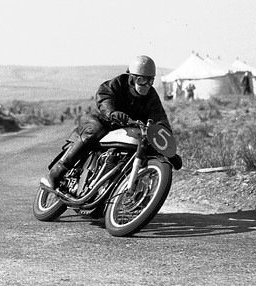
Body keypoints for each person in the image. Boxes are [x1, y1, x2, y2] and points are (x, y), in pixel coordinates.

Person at [40, 55, 173, 190]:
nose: (146, 84)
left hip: (127, 129)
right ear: (132, 77)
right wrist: (111, 112)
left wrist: (169, 150)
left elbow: (159, 117)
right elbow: (105, 95)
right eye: (141, 79)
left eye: (150, 81)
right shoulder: (118, 83)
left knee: (145, 149)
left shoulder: (152, 96)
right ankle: (56, 174)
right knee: (94, 132)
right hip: (103, 120)